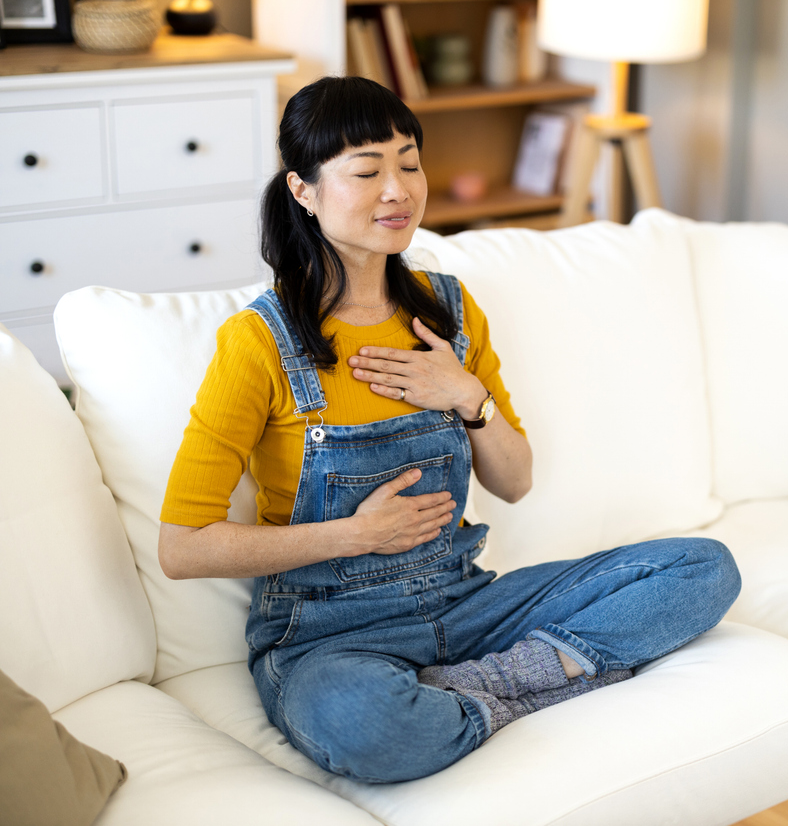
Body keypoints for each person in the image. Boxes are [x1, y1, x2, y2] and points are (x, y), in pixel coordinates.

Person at [157, 76, 740, 784]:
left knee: (703, 571)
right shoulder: (258, 342)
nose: (398, 190)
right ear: (303, 191)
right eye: (367, 170)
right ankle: (532, 683)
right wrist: (354, 536)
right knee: (367, 725)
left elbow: (515, 482)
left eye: (409, 162)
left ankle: (487, 684)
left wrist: (468, 395)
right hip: (330, 635)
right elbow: (182, 548)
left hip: (465, 605)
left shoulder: (451, 312)